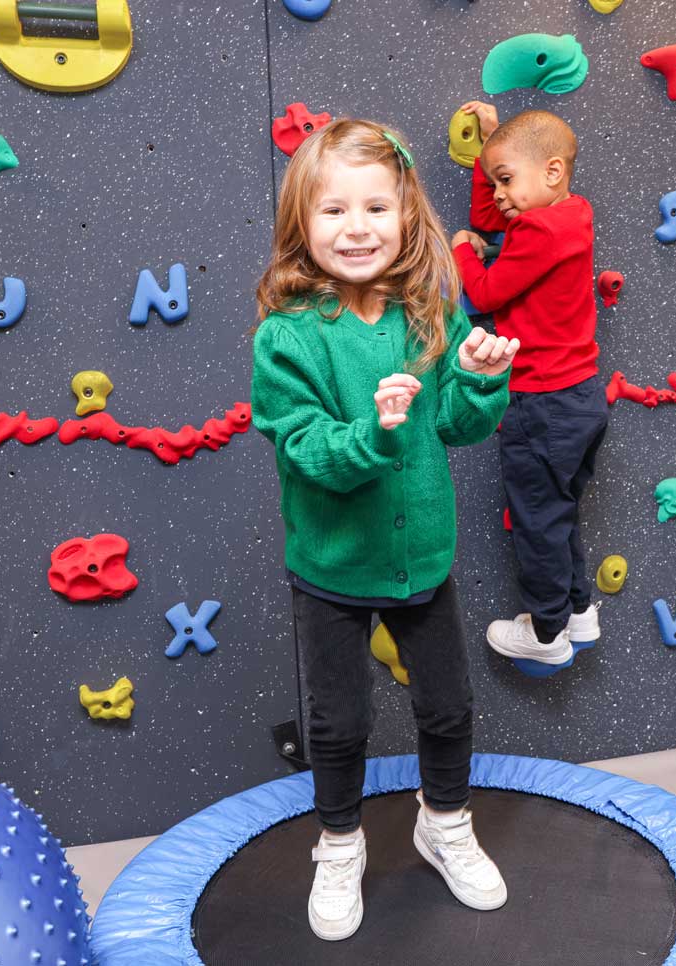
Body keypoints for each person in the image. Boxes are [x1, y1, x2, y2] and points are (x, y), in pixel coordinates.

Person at [250, 118, 519, 942]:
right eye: (334, 211)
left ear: (406, 214)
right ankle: (339, 846)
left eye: (375, 207)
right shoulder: (286, 337)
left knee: (448, 706)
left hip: (421, 558)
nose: (357, 227)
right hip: (332, 563)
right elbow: (303, 451)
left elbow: (458, 429)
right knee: (338, 723)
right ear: (302, 224)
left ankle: (444, 825)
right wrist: (373, 431)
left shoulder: (428, 310)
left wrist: (476, 383)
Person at [451, 102, 609, 667]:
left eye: (506, 180)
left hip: (541, 402)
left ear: (552, 172)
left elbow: (488, 294)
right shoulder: (573, 212)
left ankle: (546, 634)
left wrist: (462, 255)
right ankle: (577, 612)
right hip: (582, 397)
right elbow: (499, 217)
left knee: (537, 520)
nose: (498, 196)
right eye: (496, 182)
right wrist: (490, 151)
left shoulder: (538, 229)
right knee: (558, 510)